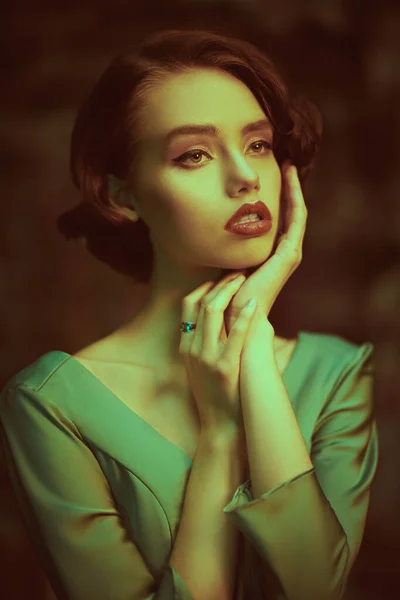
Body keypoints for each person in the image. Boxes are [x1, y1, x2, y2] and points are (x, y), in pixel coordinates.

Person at [0, 28, 378, 600]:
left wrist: (249, 342)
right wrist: (222, 431)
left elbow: (314, 589)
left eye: (258, 145)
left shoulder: (338, 373)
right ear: (122, 195)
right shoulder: (52, 404)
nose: (245, 176)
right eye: (194, 154)